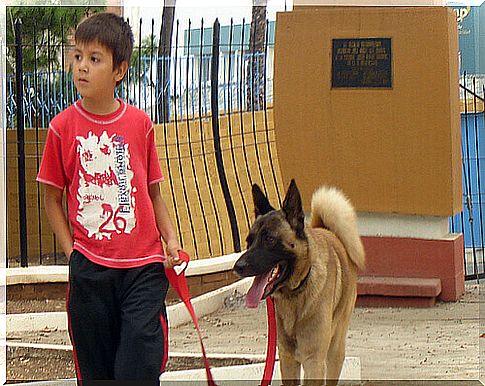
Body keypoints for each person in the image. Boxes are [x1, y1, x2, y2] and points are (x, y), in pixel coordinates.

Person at [36, 12, 183, 382]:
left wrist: (172, 239)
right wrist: (73, 254)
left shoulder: (140, 124)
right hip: (90, 269)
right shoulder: (60, 128)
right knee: (97, 369)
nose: (82, 66)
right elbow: (51, 199)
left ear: (119, 70)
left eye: (94, 58)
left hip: (144, 266)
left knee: (138, 356)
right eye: (78, 56)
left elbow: (153, 192)